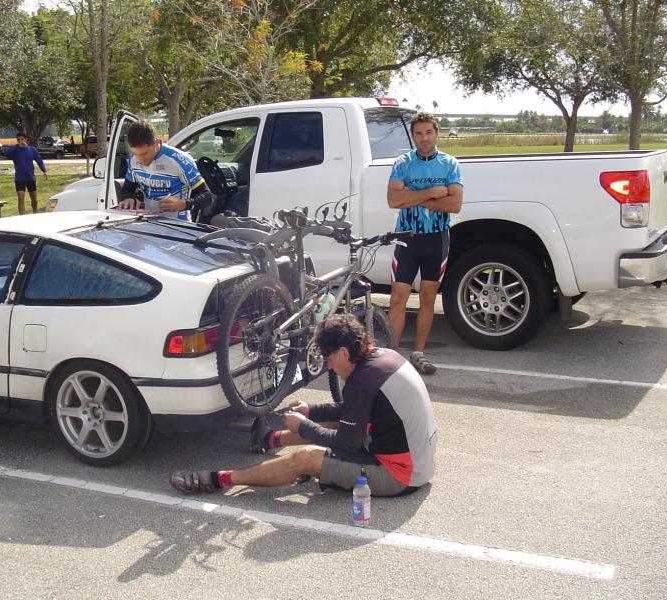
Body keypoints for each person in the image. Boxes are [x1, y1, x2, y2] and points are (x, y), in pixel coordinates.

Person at [169, 313, 437, 497]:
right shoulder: (382, 358)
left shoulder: (362, 381)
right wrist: (312, 410)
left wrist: (306, 427)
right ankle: (270, 440)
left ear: (344, 352)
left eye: (329, 358)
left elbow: (348, 442)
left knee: (304, 458)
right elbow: (351, 412)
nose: (329, 365)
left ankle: (221, 479)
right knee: (331, 425)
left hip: (400, 476)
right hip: (416, 462)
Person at [387, 112, 463, 375]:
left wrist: (412, 196)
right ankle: (391, 357)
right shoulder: (403, 163)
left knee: (428, 298)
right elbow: (393, 200)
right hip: (407, 239)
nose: (424, 138)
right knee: (398, 298)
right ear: (413, 135)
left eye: (428, 132)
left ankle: (418, 353)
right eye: (418, 133)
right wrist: (431, 193)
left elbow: (454, 204)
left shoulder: (449, 164)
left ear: (436, 133)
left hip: (437, 239)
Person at [117, 120, 212, 220]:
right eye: (136, 154)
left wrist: (183, 204)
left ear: (156, 142)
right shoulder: (133, 159)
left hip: (177, 225)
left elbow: (207, 197)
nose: (140, 160)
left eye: (144, 154)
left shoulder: (179, 160)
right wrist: (128, 198)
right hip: (148, 222)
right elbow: (127, 189)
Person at [1, 132, 48, 215]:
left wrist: (44, 171)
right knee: (20, 198)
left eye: (22, 139)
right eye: (18, 139)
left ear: (26, 139)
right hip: (19, 178)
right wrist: (16, 146)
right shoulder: (15, 150)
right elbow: (7, 154)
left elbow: (39, 160)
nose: (20, 141)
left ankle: (35, 213)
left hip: (30, 178)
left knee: (34, 198)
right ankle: (22, 217)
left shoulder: (31, 149)